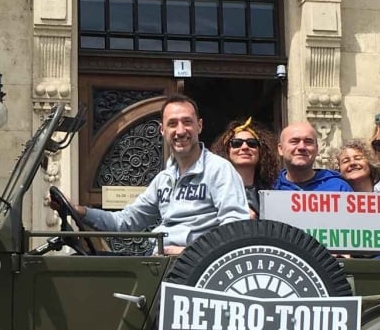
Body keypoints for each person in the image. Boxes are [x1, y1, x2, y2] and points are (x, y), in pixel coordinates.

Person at [67, 95, 249, 255]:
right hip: (160, 261)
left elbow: (234, 227)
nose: (180, 131)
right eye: (172, 124)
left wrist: (190, 252)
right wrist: (81, 211)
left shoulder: (219, 170)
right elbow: (126, 222)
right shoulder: (164, 179)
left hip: (194, 268)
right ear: (162, 130)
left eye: (187, 122)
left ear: (199, 126)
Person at [212, 116, 279, 218]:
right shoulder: (213, 190)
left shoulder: (272, 192)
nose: (245, 147)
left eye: (252, 143)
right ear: (226, 150)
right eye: (236, 143)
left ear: (261, 151)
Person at [273, 121, 351, 192]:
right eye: (294, 141)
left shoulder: (339, 188)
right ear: (280, 149)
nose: (301, 147)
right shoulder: (271, 187)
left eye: (308, 142)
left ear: (317, 149)